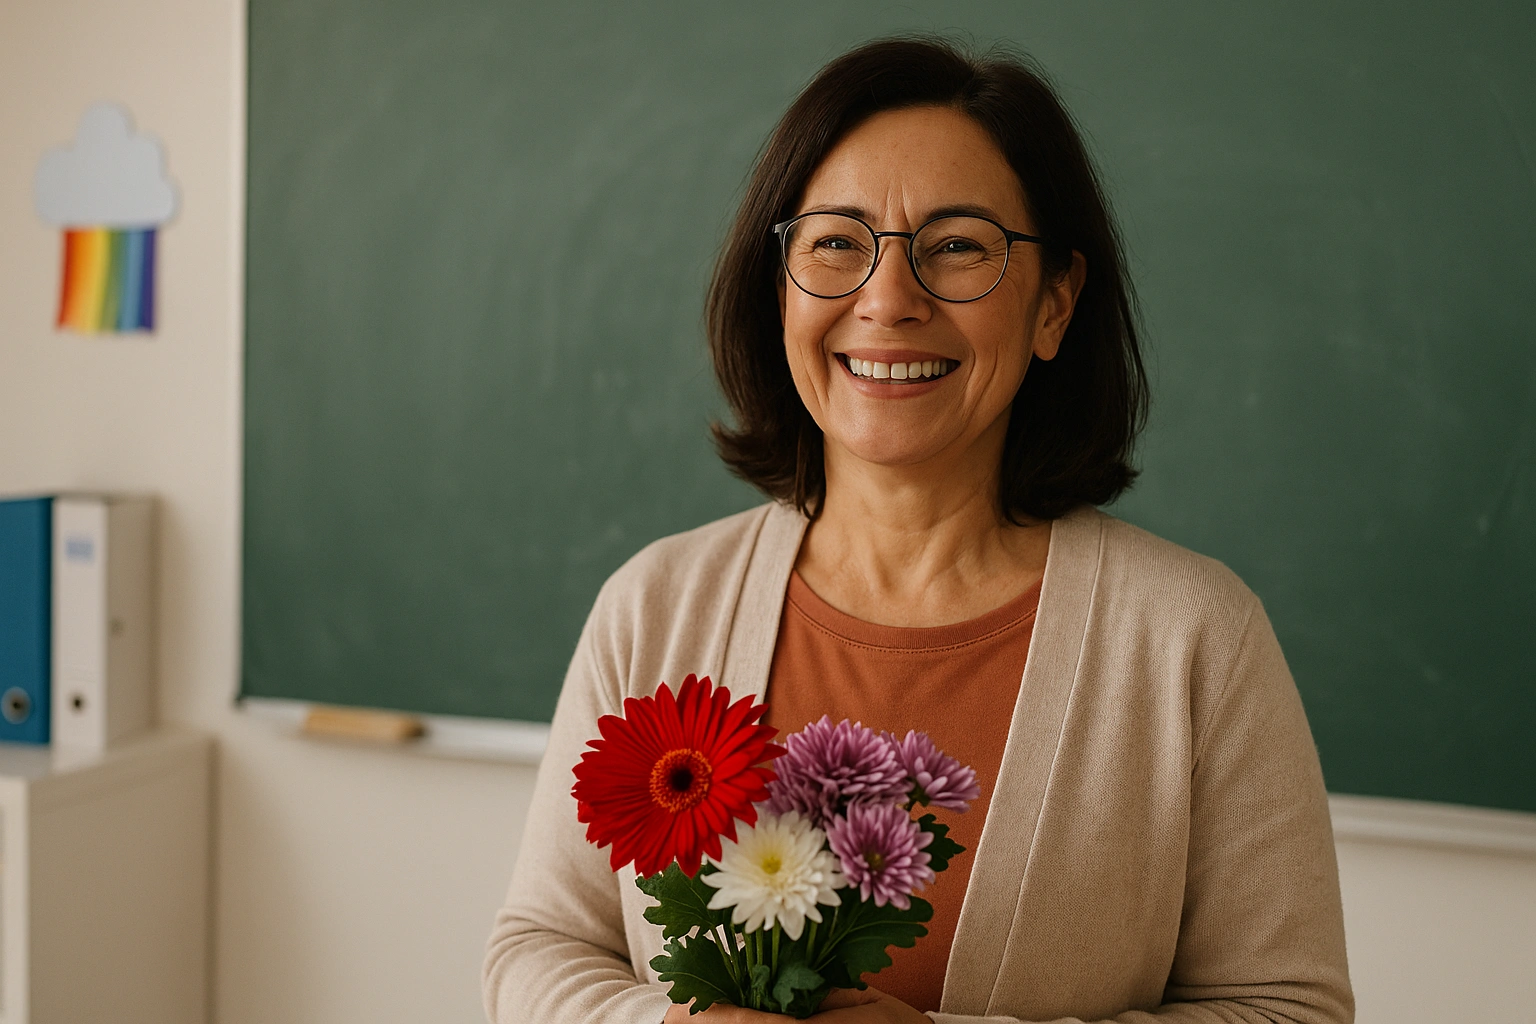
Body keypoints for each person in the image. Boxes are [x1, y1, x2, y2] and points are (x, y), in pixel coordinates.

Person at [483, 37, 1353, 1024]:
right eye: (835, 244)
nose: (889, 300)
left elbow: (1291, 1009)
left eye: (959, 247)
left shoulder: (1197, 641)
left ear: (1055, 305)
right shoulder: (656, 607)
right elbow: (540, 950)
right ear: (780, 290)